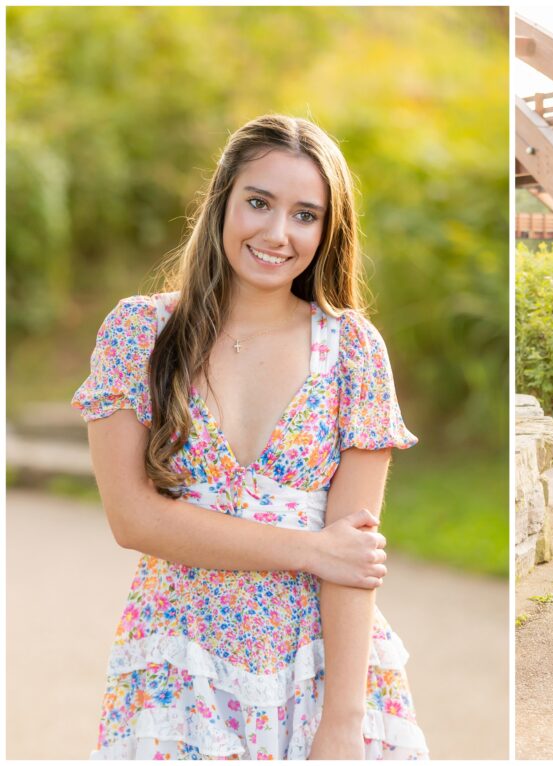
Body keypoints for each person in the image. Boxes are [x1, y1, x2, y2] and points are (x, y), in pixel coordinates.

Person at [72, 115, 428, 759]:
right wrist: (310, 548)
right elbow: (132, 519)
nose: (277, 233)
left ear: (327, 231)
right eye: (259, 203)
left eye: (305, 215)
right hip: (176, 660)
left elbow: (352, 557)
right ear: (222, 203)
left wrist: (344, 726)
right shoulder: (138, 332)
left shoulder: (353, 350)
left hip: (317, 666)